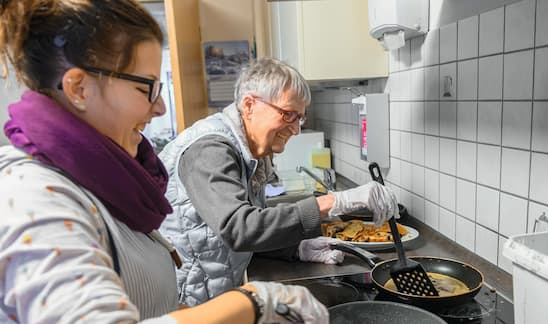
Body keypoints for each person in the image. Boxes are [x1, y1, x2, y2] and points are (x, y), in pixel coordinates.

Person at [0, 1, 328, 323]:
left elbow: (149, 305)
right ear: (79, 88)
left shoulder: (103, 179)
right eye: (148, 88)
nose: (160, 109)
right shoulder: (33, 197)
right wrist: (251, 303)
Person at [159, 57, 400, 306]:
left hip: (211, 295)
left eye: (299, 118)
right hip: (184, 304)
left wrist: (295, 248)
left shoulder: (251, 153)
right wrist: (334, 201)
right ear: (249, 105)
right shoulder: (210, 149)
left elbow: (241, 228)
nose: (295, 129)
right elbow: (238, 228)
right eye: (287, 114)